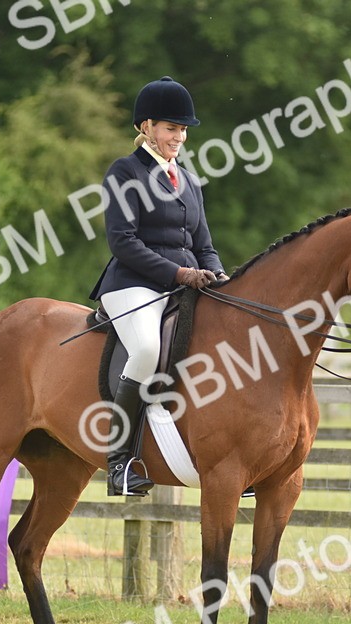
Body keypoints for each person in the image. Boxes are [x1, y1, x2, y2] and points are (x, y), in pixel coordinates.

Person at [89, 76, 227, 496]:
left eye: (183, 130)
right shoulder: (125, 172)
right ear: (146, 126)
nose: (179, 137)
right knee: (148, 349)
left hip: (185, 285)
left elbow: (204, 246)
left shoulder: (188, 180)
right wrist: (179, 274)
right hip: (134, 283)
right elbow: (123, 242)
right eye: (171, 128)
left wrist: (220, 278)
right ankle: (119, 462)